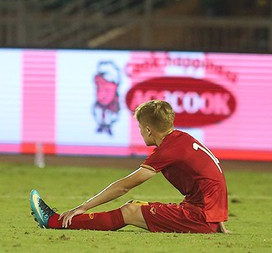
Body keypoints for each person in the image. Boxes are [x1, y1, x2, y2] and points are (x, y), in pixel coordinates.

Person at [29, 100, 229, 234]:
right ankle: (211, 223)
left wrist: (83, 207)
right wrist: (217, 218)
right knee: (137, 204)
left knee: (131, 211)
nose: (140, 132)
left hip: (199, 217)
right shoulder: (182, 139)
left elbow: (124, 186)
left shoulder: (168, 150)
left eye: (141, 128)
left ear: (149, 130)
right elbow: (212, 177)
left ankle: (53, 221)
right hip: (205, 214)